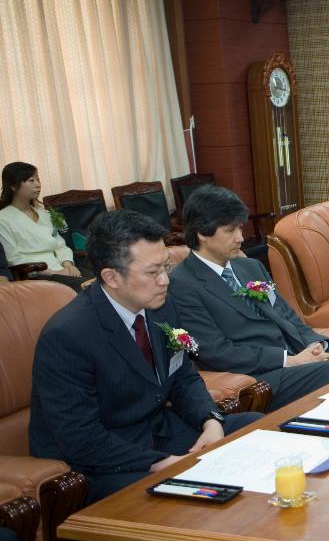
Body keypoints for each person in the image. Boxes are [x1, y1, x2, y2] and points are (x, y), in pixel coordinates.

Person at [28, 210, 263, 504]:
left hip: (159, 431)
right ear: (111, 277)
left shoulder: (160, 306)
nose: (165, 280)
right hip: (104, 463)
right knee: (194, 497)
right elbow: (80, 438)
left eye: (166, 267)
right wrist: (161, 463)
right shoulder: (68, 335)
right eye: (153, 273)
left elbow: (182, 375)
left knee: (255, 430)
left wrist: (210, 421)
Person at [167, 187, 329, 411]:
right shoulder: (182, 284)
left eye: (240, 228)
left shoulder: (250, 266)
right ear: (202, 234)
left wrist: (314, 345)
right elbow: (217, 352)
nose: (241, 237)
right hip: (263, 372)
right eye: (230, 230)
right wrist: (289, 360)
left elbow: (286, 315)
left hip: (299, 352)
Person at [0, 162, 85, 290]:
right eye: (31, 180)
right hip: (36, 276)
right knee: (89, 287)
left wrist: (68, 265)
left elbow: (60, 245)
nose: (38, 184)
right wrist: (54, 273)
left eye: (38, 179)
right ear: (13, 186)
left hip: (62, 270)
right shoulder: (3, 218)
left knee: (102, 279)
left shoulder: (45, 214)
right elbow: (13, 259)